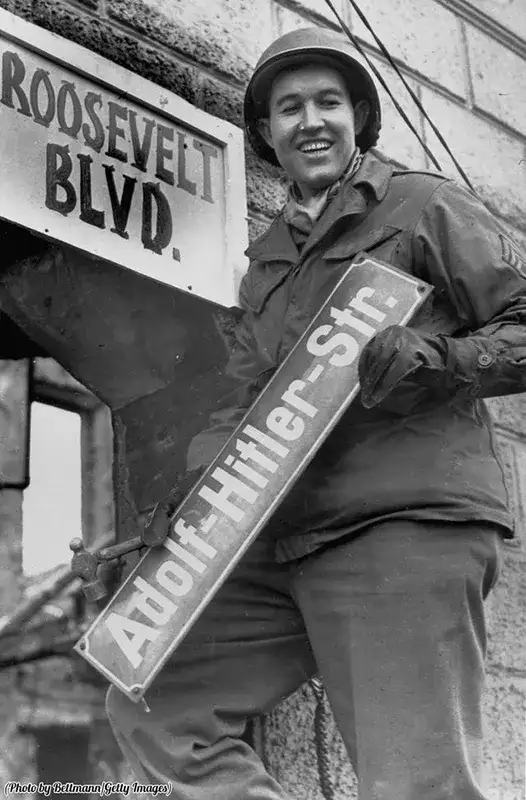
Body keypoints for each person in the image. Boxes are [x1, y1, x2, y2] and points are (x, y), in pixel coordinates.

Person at [106, 26, 526, 800]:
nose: (310, 121)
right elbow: (238, 405)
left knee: (416, 785)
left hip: (398, 526)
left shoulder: (421, 204)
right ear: (266, 133)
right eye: (289, 107)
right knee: (153, 702)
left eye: (328, 102)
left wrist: (443, 361)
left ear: (358, 116)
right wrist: (186, 499)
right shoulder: (264, 264)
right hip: (281, 542)